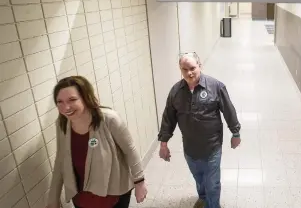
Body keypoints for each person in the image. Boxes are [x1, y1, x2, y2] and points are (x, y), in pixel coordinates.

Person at [46, 76, 147, 208]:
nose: (66, 107)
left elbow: (130, 150)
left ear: (85, 97)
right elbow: (60, 160)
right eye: (60, 102)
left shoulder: (109, 119)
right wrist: (53, 199)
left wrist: (139, 181)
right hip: (81, 196)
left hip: (113, 192)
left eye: (72, 100)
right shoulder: (62, 124)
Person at [158, 52, 241, 208]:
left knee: (212, 183)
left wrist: (235, 133)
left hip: (212, 147)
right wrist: (164, 144)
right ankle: (203, 198)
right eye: (184, 69)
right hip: (190, 148)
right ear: (180, 70)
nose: (189, 73)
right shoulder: (176, 92)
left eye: (192, 68)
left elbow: (229, 111)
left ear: (200, 66)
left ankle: (213, 205)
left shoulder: (216, 86)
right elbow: (168, 118)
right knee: (199, 178)